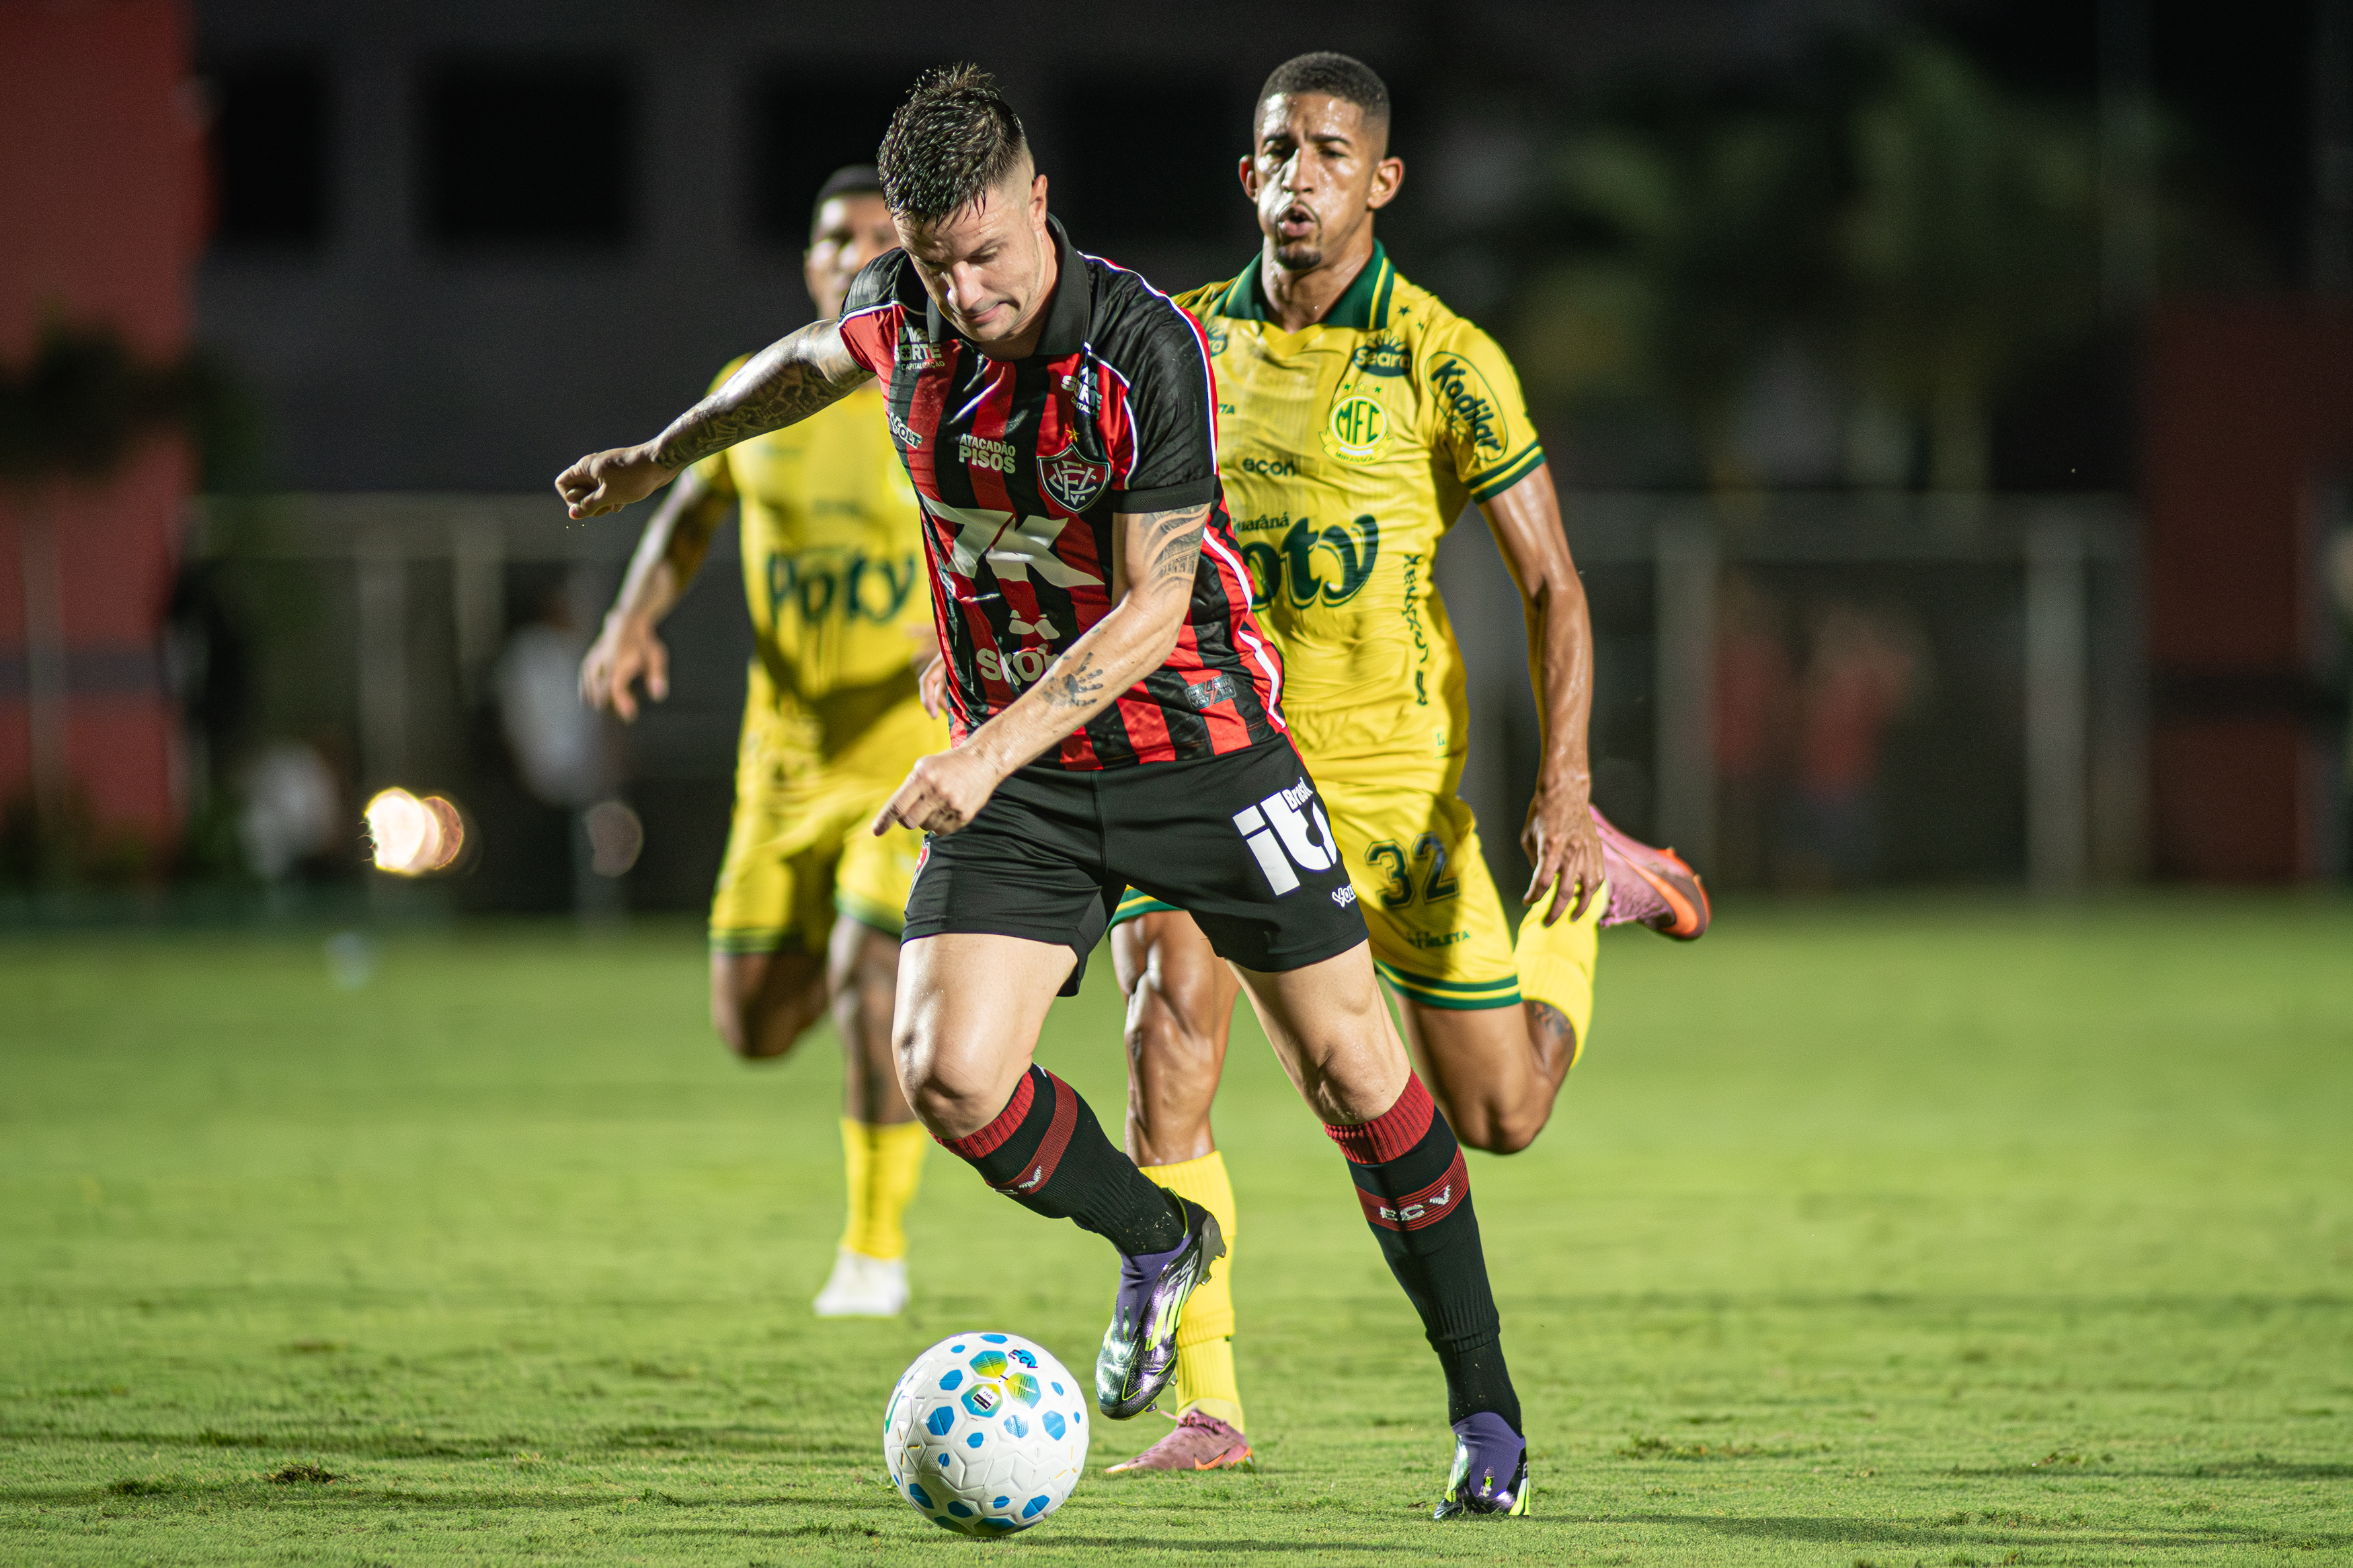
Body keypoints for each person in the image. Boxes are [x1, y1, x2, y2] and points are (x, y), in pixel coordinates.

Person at [558, 65, 1532, 1518]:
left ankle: (1485, 1407)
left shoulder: (1145, 349)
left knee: (1353, 1073)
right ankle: (1159, 1238)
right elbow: (799, 362)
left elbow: (1151, 612)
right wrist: (659, 454)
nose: (968, 293)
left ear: (1041, 207)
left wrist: (978, 749)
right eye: (937, 263)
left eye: (990, 256)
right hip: (1024, 780)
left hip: (1202, 759)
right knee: (947, 1074)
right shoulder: (905, 308)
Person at [1101, 53, 1711, 1477]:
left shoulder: (1444, 358)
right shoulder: (1175, 345)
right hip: (1211, 776)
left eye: (1328, 150)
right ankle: (1212, 1407)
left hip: (1394, 798)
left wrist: (1558, 791)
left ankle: (1589, 899)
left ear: (1380, 181)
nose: (1297, 174)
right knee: (1162, 1032)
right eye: (1274, 149)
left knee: (1498, 1115)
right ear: (1244, 175)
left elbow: (1553, 586)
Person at [577, 167, 947, 1317]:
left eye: (883, 238)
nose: (856, 253)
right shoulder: (755, 396)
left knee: (866, 963)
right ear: (809, 262)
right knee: (748, 1026)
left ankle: (873, 1253)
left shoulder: (937, 392)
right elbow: (688, 508)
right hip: (783, 760)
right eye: (838, 236)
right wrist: (633, 617)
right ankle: (899, 1024)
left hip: (904, 746)